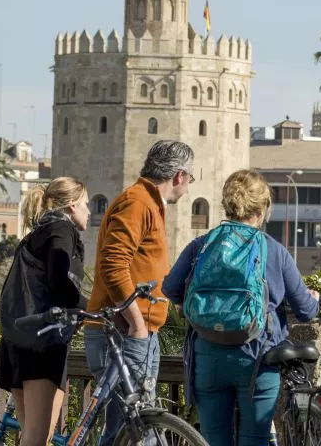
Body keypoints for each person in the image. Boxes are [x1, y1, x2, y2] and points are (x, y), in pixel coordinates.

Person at [162, 169, 320, 446]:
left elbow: (171, 288)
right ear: (263, 209)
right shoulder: (273, 250)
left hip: (207, 355)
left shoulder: (202, 244)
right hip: (257, 358)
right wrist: (314, 298)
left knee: (212, 440)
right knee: (254, 439)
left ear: (227, 205)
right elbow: (306, 310)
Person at [85, 140, 194, 446]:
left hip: (130, 332)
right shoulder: (138, 202)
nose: (187, 189)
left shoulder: (147, 202)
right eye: (190, 180)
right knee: (138, 429)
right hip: (125, 333)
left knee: (125, 431)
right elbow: (113, 263)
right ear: (179, 176)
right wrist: (137, 324)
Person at [0, 177, 89, 446]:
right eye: (85, 204)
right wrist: (90, 307)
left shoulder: (38, 232)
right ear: (72, 205)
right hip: (41, 343)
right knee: (38, 437)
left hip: (18, 340)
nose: (90, 210)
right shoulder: (61, 228)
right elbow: (58, 279)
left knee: (31, 436)